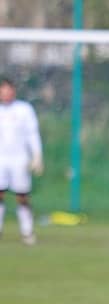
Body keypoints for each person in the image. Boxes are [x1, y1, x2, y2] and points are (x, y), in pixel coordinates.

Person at [0, 78, 44, 245]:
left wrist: (37, 155)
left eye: (9, 90)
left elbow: (32, 133)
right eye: (3, 90)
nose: (6, 93)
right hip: (1, 159)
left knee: (22, 196)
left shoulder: (24, 109)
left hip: (19, 159)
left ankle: (27, 231)